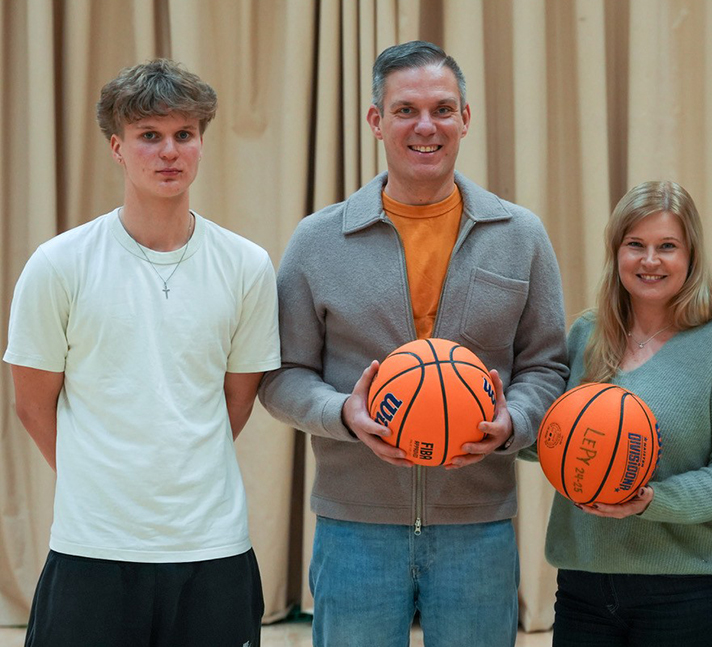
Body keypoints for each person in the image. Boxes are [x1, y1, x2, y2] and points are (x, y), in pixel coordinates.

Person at [257, 40, 568, 647]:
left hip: (478, 526)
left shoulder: (520, 235)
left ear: (465, 119)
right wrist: (343, 413)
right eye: (406, 110)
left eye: (442, 109)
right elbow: (283, 374)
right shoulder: (318, 241)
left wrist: (513, 422)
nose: (426, 126)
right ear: (376, 121)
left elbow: (546, 365)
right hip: (354, 528)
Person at [4, 59, 280, 646]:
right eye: (149, 136)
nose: (169, 151)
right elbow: (31, 404)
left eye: (184, 134)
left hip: (213, 547)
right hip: (93, 547)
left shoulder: (247, 266)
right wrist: (101, 478)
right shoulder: (58, 264)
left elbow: (236, 400)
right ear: (117, 147)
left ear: (201, 143)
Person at [538, 180, 712, 646]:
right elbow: (553, 435)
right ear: (616, 252)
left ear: (691, 256)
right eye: (635, 245)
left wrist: (651, 500)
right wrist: (498, 420)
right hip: (583, 584)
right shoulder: (586, 335)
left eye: (667, 246)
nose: (650, 260)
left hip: (687, 591)